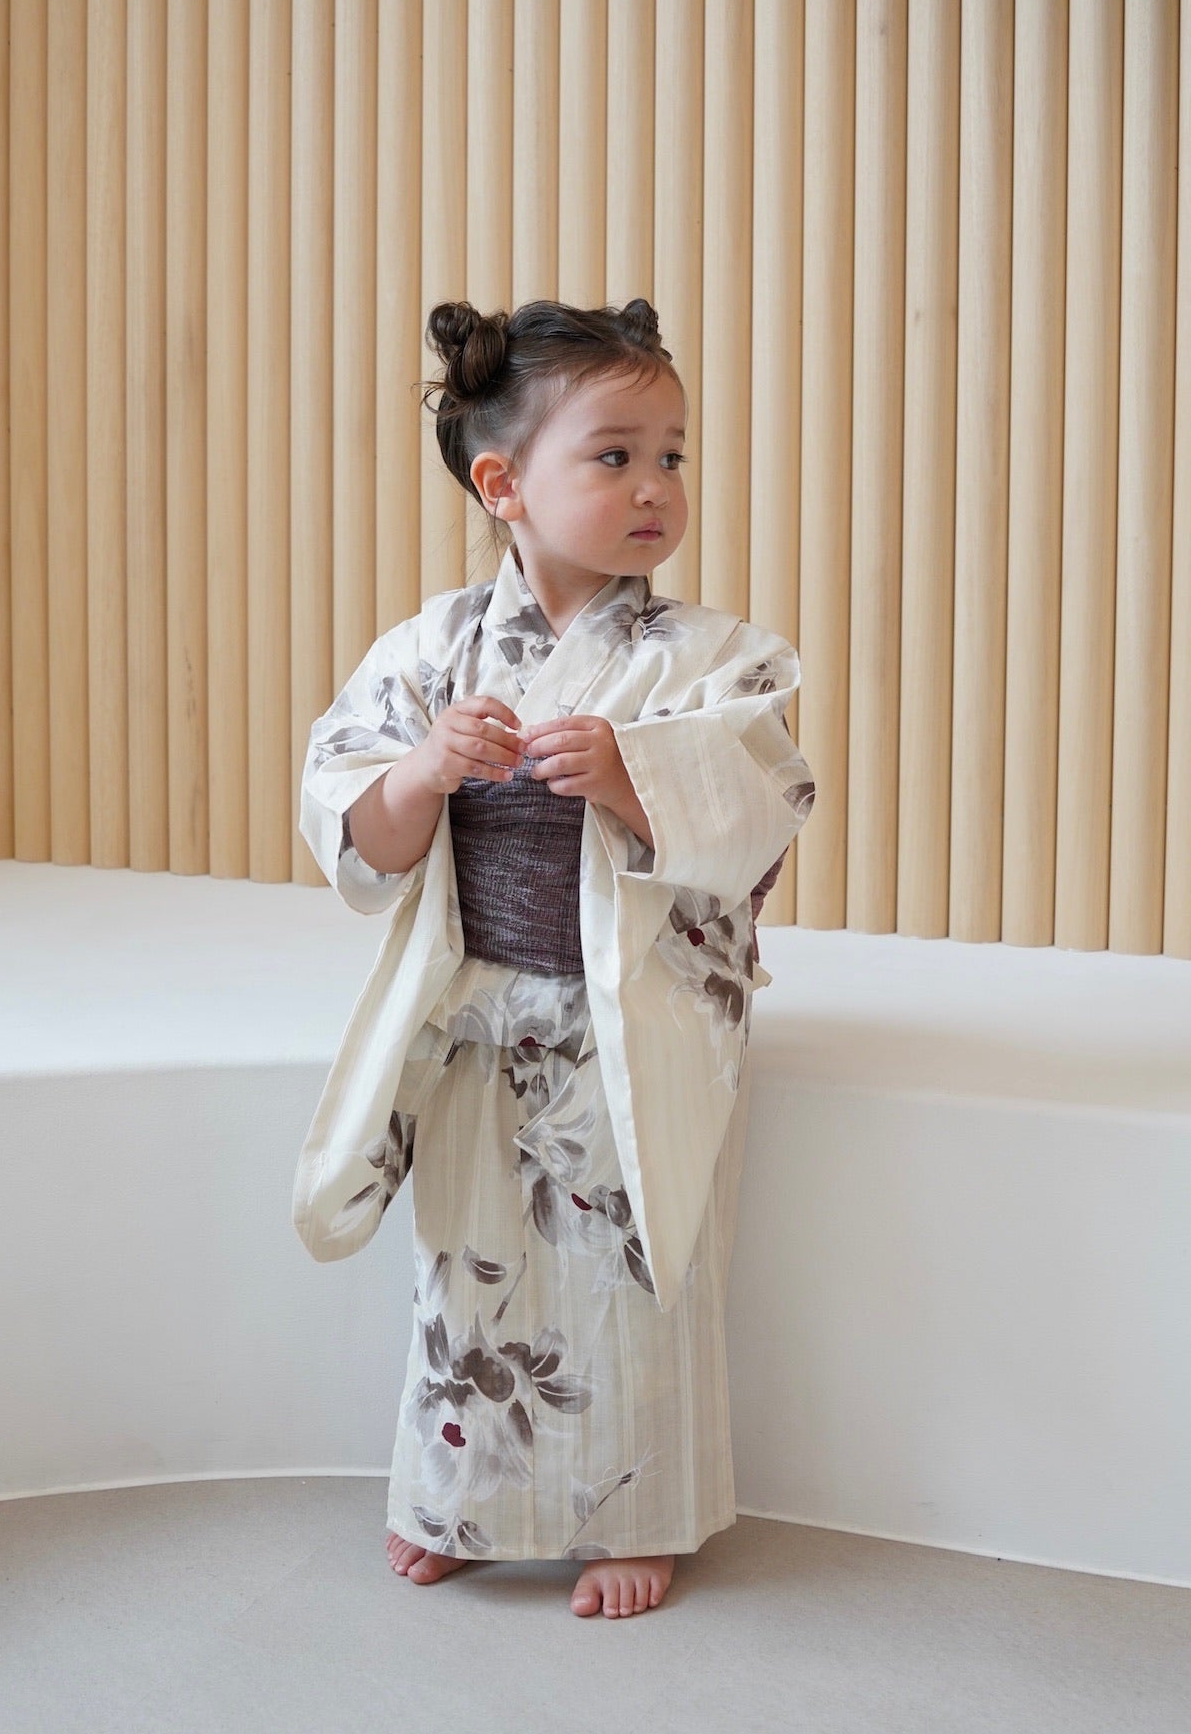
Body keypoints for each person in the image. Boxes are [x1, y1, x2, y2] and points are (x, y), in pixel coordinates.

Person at [295, 297, 816, 1619]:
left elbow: (764, 805)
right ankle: (459, 1500)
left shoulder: (714, 657)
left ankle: (633, 1515)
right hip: (479, 1009)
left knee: (627, 1272)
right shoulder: (432, 650)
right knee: (467, 1262)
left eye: (672, 455)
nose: (654, 486)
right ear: (502, 484)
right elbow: (355, 832)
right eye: (615, 454)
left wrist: (634, 777)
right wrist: (423, 771)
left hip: (627, 1018)